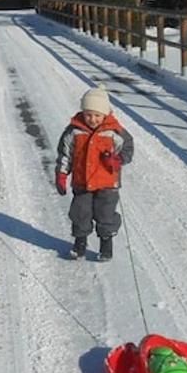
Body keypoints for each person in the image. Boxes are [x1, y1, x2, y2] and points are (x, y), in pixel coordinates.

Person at [55, 86, 134, 262]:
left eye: (97, 115)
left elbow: (128, 148)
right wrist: (61, 175)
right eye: (89, 114)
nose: (92, 119)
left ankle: (106, 246)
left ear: (105, 114)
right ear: (83, 112)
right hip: (82, 183)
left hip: (107, 184)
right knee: (80, 213)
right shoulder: (73, 131)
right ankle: (80, 244)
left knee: (105, 215)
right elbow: (65, 155)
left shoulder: (114, 131)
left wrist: (117, 160)